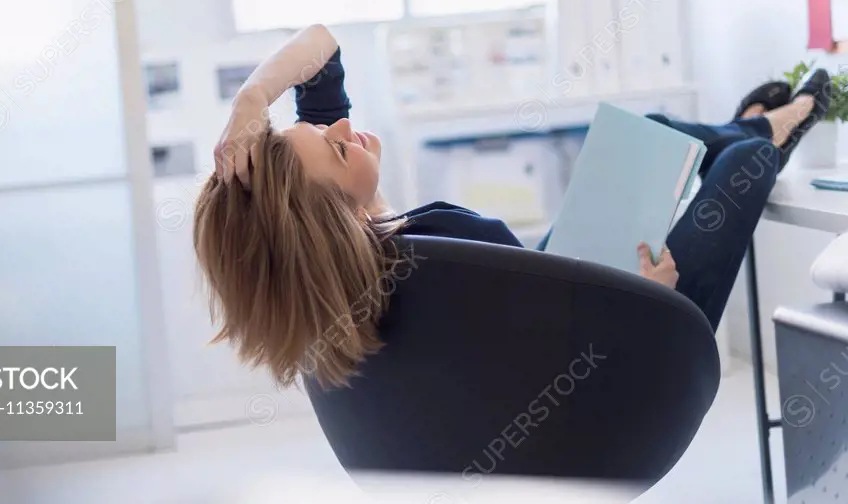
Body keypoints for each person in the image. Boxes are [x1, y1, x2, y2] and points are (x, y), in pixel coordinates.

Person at [193, 24, 831, 388]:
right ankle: (771, 126)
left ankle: (748, 124)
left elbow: (322, 51)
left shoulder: (361, 258)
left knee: (655, 132)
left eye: (321, 126)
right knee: (741, 167)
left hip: (568, 276)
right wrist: (651, 299)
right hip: (631, 323)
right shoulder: (437, 252)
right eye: (335, 148)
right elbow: (554, 363)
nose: (341, 129)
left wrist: (253, 102)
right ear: (336, 221)